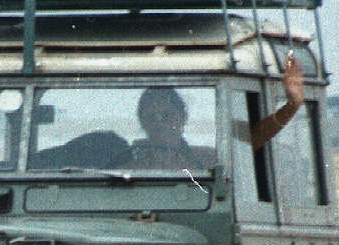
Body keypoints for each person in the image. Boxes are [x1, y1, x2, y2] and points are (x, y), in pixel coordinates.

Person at [130, 52, 306, 170]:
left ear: (182, 117)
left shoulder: (207, 159)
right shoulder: (128, 165)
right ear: (142, 121)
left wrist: (291, 107)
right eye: (151, 117)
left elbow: (256, 138)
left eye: (167, 115)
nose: (159, 122)